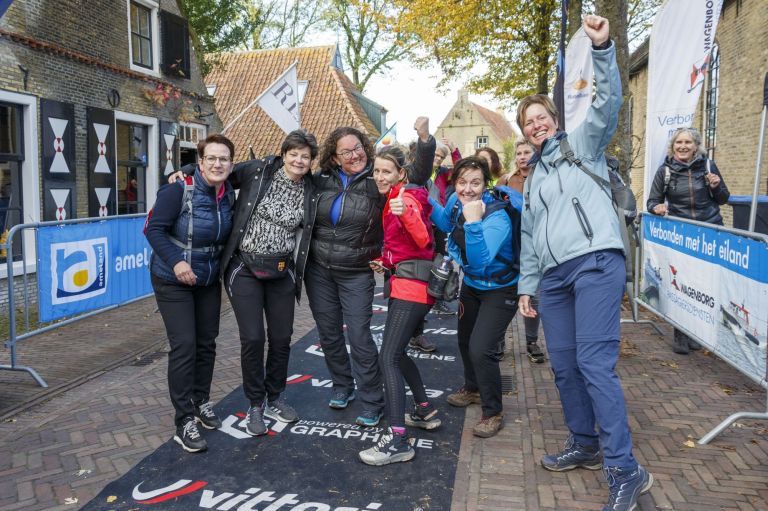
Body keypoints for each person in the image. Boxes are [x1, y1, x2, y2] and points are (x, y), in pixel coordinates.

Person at [516, 15, 653, 511]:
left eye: (541, 117)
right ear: (525, 132)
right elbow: (529, 238)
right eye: (528, 122)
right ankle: (585, 442)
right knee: (566, 368)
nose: (537, 125)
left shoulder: (583, 145)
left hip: (596, 262)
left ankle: (626, 469)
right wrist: (526, 288)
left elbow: (607, 104)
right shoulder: (532, 181)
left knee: (595, 364)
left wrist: (602, 48)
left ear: (553, 119)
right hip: (552, 279)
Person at [295, 126, 432, 427]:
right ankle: (342, 387)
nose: (354, 154)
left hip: (356, 271)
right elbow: (286, 168)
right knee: (329, 335)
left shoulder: (376, 180)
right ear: (334, 155)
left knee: (359, 336)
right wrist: (185, 170)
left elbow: (416, 177)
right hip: (319, 272)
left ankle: (372, 400)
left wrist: (425, 142)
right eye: (346, 151)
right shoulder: (319, 181)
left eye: (357, 147)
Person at [220, 130, 318, 435]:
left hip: (281, 270)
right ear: (284, 153)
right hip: (245, 267)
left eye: (305, 156)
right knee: (253, 338)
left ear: (311, 161)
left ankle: (276, 395)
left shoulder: (312, 188)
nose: (299, 160)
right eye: (294, 153)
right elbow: (219, 171)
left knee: (281, 337)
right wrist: (183, 172)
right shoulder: (257, 170)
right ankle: (255, 404)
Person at [145, 134, 235, 453]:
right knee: (184, 345)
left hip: (207, 278)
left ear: (231, 163)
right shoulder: (177, 188)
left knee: (206, 343)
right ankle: (184, 420)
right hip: (173, 278)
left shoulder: (228, 195)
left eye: (223, 158)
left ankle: (201, 401)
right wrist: (177, 261)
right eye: (211, 158)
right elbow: (152, 229)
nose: (217, 163)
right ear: (200, 162)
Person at [358, 144, 441, 466]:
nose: (380, 176)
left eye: (386, 171)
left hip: (411, 288)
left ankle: (397, 439)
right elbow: (407, 246)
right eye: (376, 170)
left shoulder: (404, 198)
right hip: (405, 281)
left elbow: (422, 239)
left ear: (400, 173)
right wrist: (386, 261)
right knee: (398, 352)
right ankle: (424, 409)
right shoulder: (396, 196)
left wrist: (405, 213)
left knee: (388, 357)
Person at [430, 156, 519, 438]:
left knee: (482, 349)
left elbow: (480, 260)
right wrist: (417, 191)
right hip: (473, 286)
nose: (468, 189)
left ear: (485, 184)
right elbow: (444, 223)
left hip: (501, 289)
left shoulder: (497, 216)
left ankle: (493, 412)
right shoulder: (457, 202)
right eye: (462, 182)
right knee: (465, 340)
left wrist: (473, 222)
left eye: (475, 183)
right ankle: (472, 388)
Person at [646, 126, 730, 354]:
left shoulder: (709, 166)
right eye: (678, 143)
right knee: (682, 284)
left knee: (704, 286)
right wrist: (658, 208)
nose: (683, 146)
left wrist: (716, 185)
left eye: (688, 143)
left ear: (696, 146)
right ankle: (680, 334)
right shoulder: (665, 171)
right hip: (682, 236)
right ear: (673, 146)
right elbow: (651, 202)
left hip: (710, 233)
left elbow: (723, 198)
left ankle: (697, 332)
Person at [498, 140, 545, 363]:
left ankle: (531, 341)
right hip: (511, 245)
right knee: (506, 294)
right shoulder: (507, 180)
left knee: (533, 295)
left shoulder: (544, 176)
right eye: (519, 153)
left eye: (527, 152)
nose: (523, 156)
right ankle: (499, 340)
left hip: (535, 244)